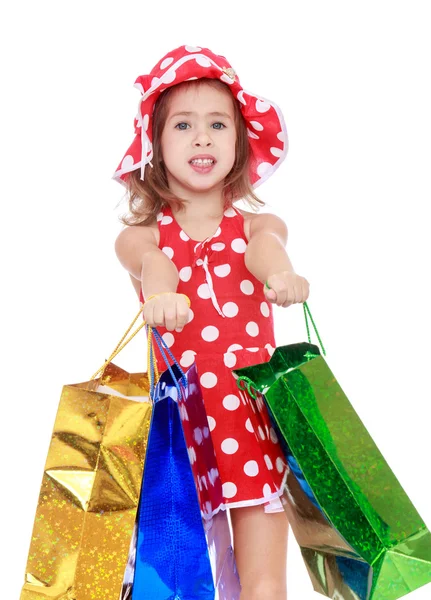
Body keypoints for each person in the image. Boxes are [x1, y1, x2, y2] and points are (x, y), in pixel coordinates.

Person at [113, 44, 310, 600]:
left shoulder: (257, 227)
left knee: (264, 581)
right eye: (183, 125)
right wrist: (163, 295)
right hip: (180, 432)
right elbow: (151, 267)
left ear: (240, 141)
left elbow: (267, 253)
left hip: (250, 426)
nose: (203, 138)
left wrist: (281, 278)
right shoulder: (145, 237)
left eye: (218, 124)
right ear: (154, 145)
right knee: (176, 578)